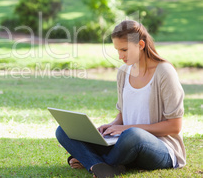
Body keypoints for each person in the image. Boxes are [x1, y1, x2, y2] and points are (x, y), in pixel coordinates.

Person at [55, 20, 186, 178]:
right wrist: (110, 127)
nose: (120, 56)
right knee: (64, 130)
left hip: (160, 148)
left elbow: (174, 126)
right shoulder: (124, 72)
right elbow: (123, 116)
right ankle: (102, 165)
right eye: (117, 50)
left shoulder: (164, 72)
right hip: (124, 144)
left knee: (133, 135)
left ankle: (91, 161)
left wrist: (126, 129)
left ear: (141, 45)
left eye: (124, 49)